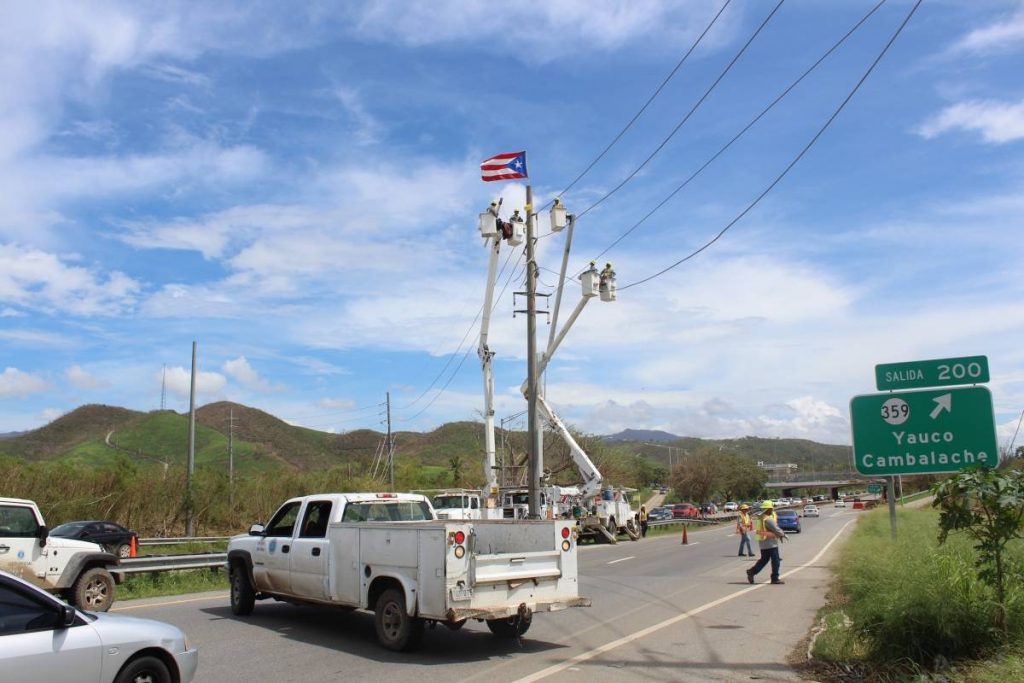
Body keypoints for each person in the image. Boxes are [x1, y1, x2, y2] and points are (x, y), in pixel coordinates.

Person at [746, 500, 787, 585]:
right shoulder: (768, 519)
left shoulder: (760, 518)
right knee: (776, 561)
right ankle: (775, 578)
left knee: (764, 560)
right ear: (768, 509)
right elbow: (776, 529)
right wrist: (783, 534)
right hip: (771, 544)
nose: (772, 510)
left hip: (763, 543)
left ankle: (752, 571)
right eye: (771, 508)